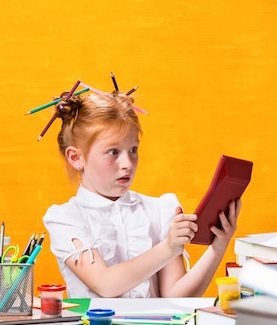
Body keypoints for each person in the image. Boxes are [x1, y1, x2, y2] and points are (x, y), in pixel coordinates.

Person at [41, 85, 241, 298]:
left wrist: (218, 245)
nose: (127, 163)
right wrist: (168, 248)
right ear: (76, 158)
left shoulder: (159, 209)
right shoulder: (65, 218)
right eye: (113, 152)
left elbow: (176, 298)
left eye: (133, 150)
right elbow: (105, 284)